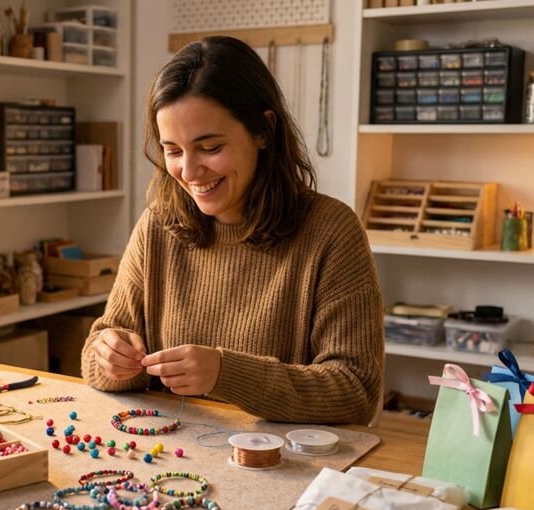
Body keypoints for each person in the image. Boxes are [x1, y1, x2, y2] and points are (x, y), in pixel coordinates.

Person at [81, 36, 384, 425]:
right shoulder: (158, 225)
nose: (189, 173)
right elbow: (97, 354)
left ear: (263, 131)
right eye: (173, 151)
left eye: (209, 147)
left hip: (282, 469)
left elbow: (356, 390)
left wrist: (226, 373)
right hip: (174, 459)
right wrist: (112, 358)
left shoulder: (331, 231)